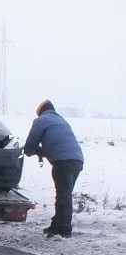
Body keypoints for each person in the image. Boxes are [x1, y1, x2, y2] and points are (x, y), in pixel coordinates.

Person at [23, 99, 84, 238]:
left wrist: (31, 151)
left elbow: (30, 144)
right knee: (64, 194)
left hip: (63, 162)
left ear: (40, 112)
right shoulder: (61, 120)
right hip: (77, 160)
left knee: (63, 195)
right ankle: (57, 225)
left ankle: (64, 229)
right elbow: (57, 146)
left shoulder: (41, 121)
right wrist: (41, 152)